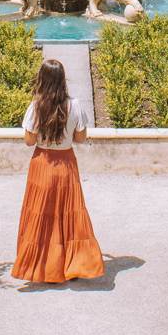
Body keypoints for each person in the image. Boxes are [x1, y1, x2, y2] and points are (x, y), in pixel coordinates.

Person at [12, 58, 104, 283]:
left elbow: (28, 141)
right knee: (68, 212)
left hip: (42, 164)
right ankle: (72, 264)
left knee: (42, 214)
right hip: (66, 163)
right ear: (63, 80)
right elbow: (80, 139)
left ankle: (44, 267)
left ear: (42, 79)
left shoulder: (35, 107)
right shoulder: (75, 105)